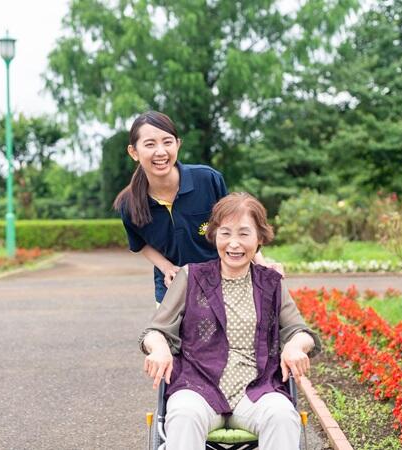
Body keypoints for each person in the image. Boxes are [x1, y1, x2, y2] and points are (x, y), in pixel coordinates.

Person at [138, 193, 321, 449]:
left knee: (282, 416)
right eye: (225, 233)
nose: (234, 244)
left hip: (257, 390)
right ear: (214, 236)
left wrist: (294, 345)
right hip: (198, 387)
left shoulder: (271, 282)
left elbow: (300, 331)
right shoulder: (191, 276)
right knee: (182, 415)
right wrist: (158, 348)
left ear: (259, 239)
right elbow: (156, 330)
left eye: (244, 234)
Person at [114, 111, 282, 303]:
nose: (160, 151)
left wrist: (262, 264)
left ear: (177, 144)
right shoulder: (128, 203)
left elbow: (237, 226)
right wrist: (166, 267)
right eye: (150, 144)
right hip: (173, 290)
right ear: (133, 152)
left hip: (222, 284)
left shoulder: (208, 179)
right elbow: (140, 244)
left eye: (167, 142)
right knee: (163, 334)